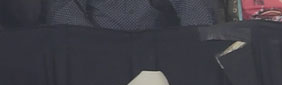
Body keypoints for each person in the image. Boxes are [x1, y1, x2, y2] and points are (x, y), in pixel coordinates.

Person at [45, 0, 214, 28]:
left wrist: (194, 40)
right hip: (98, 47)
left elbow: (192, 5)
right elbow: (63, 10)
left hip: (155, 44)